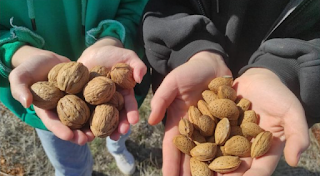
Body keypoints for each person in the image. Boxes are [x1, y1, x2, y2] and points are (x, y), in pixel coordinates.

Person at [142, 0, 320, 175]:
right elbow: (165, 7)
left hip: (259, 96)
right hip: (191, 98)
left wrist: (287, 70)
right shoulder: (203, 116)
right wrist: (194, 50)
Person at [0, 0, 150, 175]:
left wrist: (112, 39)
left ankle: (117, 148)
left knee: (120, 126)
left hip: (110, 73)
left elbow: (137, 6)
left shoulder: (106, 90)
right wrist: (15, 54)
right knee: (70, 165)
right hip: (48, 108)